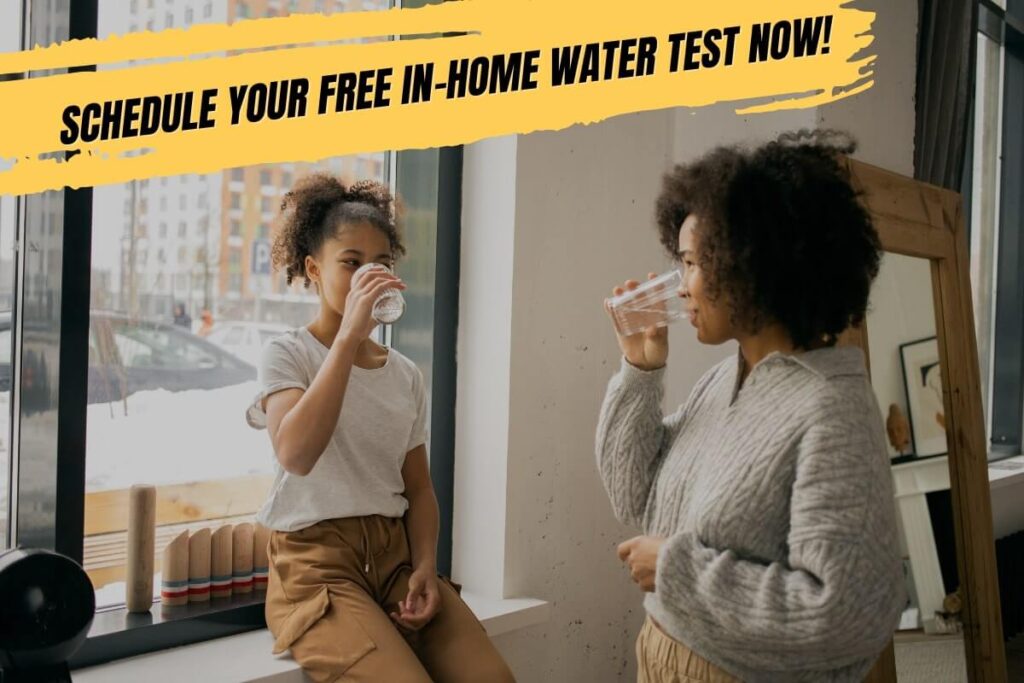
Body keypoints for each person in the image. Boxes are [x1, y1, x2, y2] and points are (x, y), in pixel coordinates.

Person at [596, 130, 905, 682]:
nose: (681, 286)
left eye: (693, 262)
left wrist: (676, 570)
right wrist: (640, 371)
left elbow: (845, 614)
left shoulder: (830, 410)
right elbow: (635, 496)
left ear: (754, 264)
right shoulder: (724, 382)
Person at [245, 173, 514, 683]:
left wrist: (425, 567)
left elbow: (418, 489)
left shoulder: (404, 374)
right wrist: (348, 337)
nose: (369, 276)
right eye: (351, 263)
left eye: (381, 264)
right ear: (313, 269)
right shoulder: (287, 354)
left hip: (394, 560)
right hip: (317, 565)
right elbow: (296, 454)